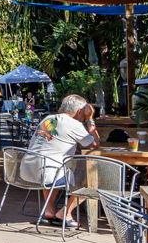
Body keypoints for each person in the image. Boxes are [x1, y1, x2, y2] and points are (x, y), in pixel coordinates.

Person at [24, 94, 97, 223]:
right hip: (48, 171)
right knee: (92, 180)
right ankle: (66, 212)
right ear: (80, 111)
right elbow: (94, 143)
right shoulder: (74, 124)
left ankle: (49, 210)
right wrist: (90, 119)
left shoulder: (48, 118)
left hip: (28, 169)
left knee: (53, 165)